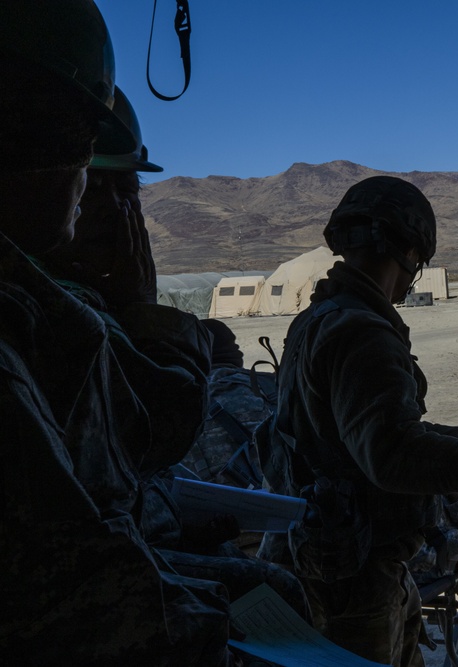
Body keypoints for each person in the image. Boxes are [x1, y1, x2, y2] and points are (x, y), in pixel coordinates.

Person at [0, 1, 234, 662]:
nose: (114, 209)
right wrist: (145, 313)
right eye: (113, 188)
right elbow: (158, 426)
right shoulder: (47, 323)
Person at [257, 175, 458, 667]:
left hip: (336, 559)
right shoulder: (362, 333)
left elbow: (364, 435)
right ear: (409, 251)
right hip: (354, 580)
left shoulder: (319, 319)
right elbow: (391, 452)